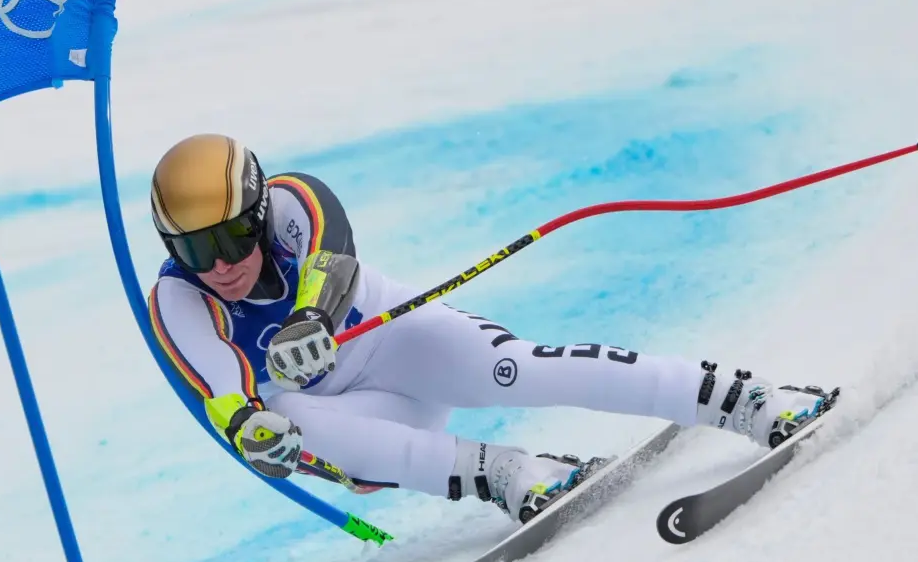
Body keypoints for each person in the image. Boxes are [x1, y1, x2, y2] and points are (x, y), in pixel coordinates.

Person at [146, 133, 833, 523]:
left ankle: (740, 398)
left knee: (522, 369)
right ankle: (510, 474)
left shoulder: (294, 201)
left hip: (403, 342)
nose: (224, 263)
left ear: (260, 211)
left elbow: (335, 247)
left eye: (236, 235)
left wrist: (314, 317)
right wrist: (253, 431)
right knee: (287, 411)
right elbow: (225, 391)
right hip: (363, 417)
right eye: (196, 249)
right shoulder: (178, 299)